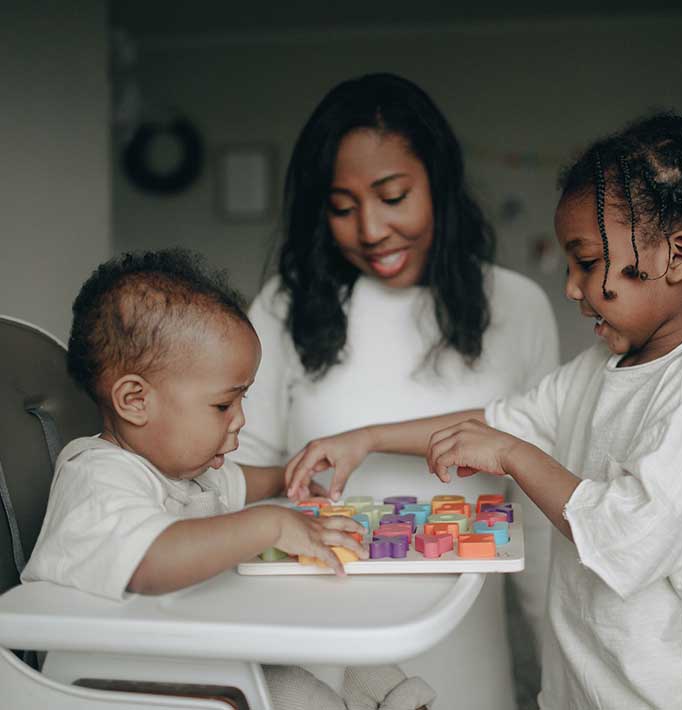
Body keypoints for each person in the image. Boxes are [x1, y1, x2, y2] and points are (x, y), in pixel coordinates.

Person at [283, 113, 682, 709]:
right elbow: (496, 422)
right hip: (597, 681)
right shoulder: (599, 371)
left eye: (586, 261)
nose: (572, 287)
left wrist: (513, 457)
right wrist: (366, 438)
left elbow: (627, 536)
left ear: (678, 257)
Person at [233, 73, 559, 709]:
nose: (372, 230)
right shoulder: (284, 307)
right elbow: (236, 477)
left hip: (466, 641)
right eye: (342, 206)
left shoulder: (519, 307)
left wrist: (561, 664)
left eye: (393, 196)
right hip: (318, 640)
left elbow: (541, 507)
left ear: (438, 181)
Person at [20, 249, 429, 710]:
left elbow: (240, 483)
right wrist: (269, 525)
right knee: (298, 695)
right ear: (135, 400)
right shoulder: (95, 477)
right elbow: (152, 560)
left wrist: (285, 478)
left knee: (354, 646)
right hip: (124, 680)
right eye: (223, 405)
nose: (240, 421)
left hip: (197, 652)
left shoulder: (189, 472)